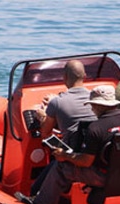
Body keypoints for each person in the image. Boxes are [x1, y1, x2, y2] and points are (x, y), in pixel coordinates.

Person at [15, 85, 120, 204]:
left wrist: (64, 155)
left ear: (98, 105)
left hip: (104, 177)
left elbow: (85, 162)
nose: (92, 109)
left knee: (61, 167)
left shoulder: (95, 128)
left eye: (92, 105)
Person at [30, 60, 96, 195]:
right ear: (85, 76)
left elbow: (45, 132)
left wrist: (42, 115)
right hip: (94, 157)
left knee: (35, 187)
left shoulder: (57, 103)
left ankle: (37, 201)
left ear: (64, 77)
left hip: (70, 157)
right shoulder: (97, 100)